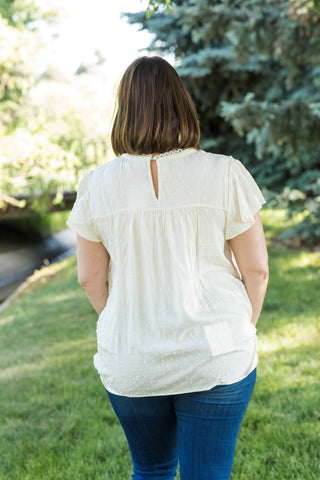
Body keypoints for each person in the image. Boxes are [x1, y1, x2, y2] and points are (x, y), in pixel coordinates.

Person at [67, 56, 269, 480]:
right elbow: (257, 271)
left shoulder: (95, 185)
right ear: (181, 105)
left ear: (125, 110)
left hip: (131, 357)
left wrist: (126, 322)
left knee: (152, 469)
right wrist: (242, 326)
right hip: (216, 352)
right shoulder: (224, 172)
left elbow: (89, 278)